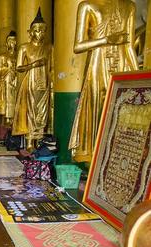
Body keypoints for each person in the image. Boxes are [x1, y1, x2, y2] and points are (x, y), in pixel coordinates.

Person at [68, 0, 138, 163]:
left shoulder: (129, 6)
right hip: (97, 64)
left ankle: (117, 157)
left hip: (121, 63)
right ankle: (93, 158)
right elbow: (78, 46)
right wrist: (107, 40)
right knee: (98, 109)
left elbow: (129, 46)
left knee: (122, 111)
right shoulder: (88, 5)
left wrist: (138, 78)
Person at [12, 8, 53, 151]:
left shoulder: (49, 47)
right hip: (30, 82)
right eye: (37, 30)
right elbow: (18, 68)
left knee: (42, 112)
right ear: (30, 32)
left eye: (43, 30)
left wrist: (52, 84)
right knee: (30, 110)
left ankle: (40, 140)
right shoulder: (24, 47)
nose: (40, 33)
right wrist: (32, 65)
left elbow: (52, 67)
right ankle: (30, 141)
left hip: (44, 81)